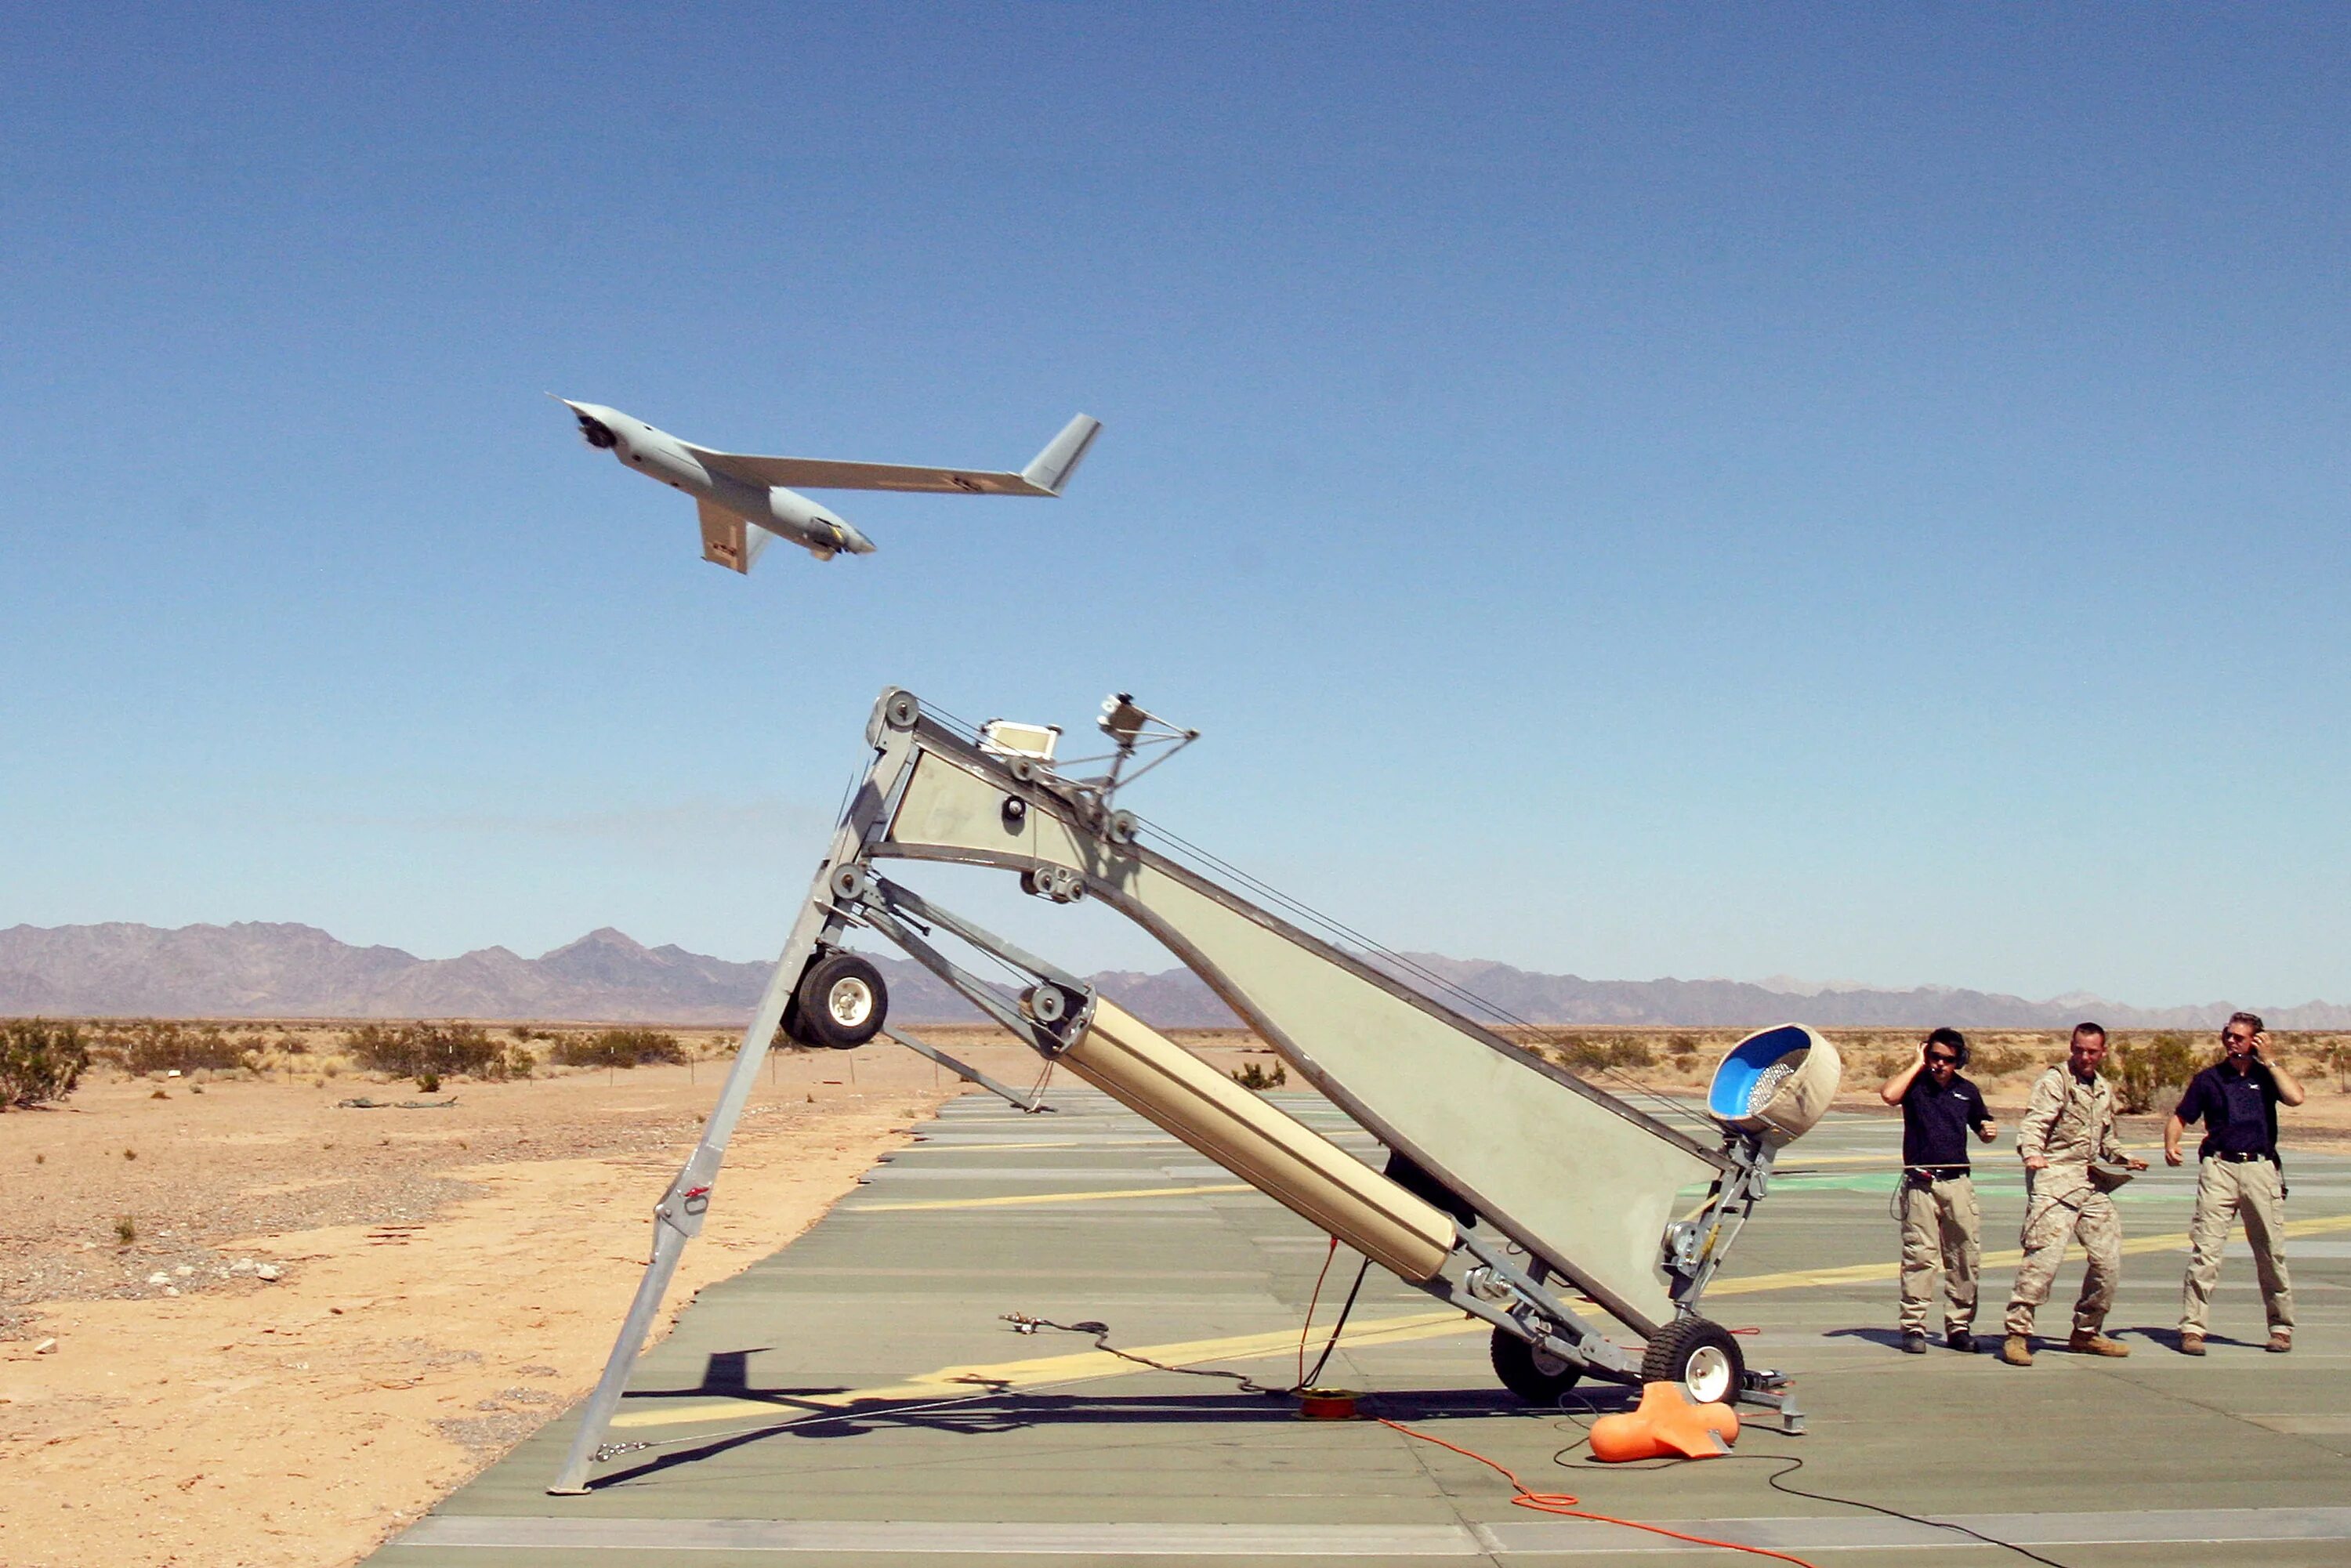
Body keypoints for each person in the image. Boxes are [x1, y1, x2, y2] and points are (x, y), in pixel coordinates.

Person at [2000, 1022, 2146, 1365]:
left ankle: (2087, 1332)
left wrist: (2124, 1158)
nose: (2084, 1056)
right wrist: (2032, 1152)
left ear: (2103, 1052)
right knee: (2043, 1262)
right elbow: (2035, 1123)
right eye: (2079, 1049)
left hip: (2088, 1182)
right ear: (2071, 1047)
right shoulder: (2055, 1082)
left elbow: (2106, 1139)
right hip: (2053, 1181)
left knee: (2108, 1262)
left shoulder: (2102, 1089)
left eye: (2092, 1051)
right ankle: (2018, 1334)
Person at [2167, 1012, 2304, 1355]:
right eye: (2228, 1035)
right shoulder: (2209, 1079)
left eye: (2240, 1038)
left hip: (2259, 1168)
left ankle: (2280, 1327)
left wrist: (2270, 1060)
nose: (2232, 1042)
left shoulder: (2266, 1076)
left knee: (2270, 1251)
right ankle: (2193, 1328)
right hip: (2220, 1168)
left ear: (2256, 1040)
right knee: (2206, 1251)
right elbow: (2181, 1115)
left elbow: (2296, 1097)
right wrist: (2172, 1141)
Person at [1879, 1027, 1998, 1353]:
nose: (1940, 1065)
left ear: (1959, 1060)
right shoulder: (1915, 1086)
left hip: (1957, 1184)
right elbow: (1889, 1095)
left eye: (1948, 1059)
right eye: (1935, 1057)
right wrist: (1916, 1064)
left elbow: (1981, 1124)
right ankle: (1914, 1327)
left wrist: (1988, 1131)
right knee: (1920, 1256)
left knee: (1964, 1256)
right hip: (1921, 1184)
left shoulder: (1967, 1091)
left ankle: (1959, 1325)